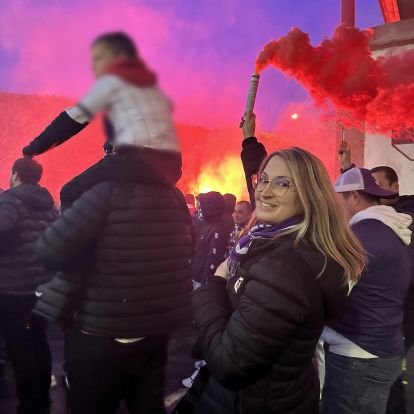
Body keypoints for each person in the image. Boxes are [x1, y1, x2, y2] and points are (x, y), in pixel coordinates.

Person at [192, 147, 366, 414]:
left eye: (283, 183)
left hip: (253, 401)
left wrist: (214, 285)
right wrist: (248, 141)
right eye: (263, 179)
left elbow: (230, 364)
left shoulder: (285, 268)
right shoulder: (278, 239)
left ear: (309, 194)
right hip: (281, 394)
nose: (264, 191)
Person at [32, 176, 193, 413]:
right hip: (153, 331)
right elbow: (189, 250)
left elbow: (49, 251)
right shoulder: (172, 198)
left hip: (99, 332)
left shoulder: (103, 193)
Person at [22, 31, 181, 211]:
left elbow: (73, 119)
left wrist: (34, 148)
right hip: (171, 167)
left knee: (71, 192)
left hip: (136, 161)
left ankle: (81, 239)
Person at [321, 167, 412, 414]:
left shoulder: (362, 238)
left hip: (359, 357)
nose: (335, 206)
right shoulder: (391, 232)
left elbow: (332, 289)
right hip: (383, 348)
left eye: (338, 198)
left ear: (354, 197)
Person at [0, 158, 57, 414]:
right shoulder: (48, 205)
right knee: (39, 343)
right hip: (42, 287)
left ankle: (29, 407)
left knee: (19, 349)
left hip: (15, 289)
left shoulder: (11, 199)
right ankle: (42, 402)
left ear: (15, 175)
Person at [191, 192, 229, 290]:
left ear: (210, 208)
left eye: (202, 205)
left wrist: (205, 286)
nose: (199, 207)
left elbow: (213, 260)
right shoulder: (206, 224)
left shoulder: (218, 229)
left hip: (201, 283)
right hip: (194, 278)